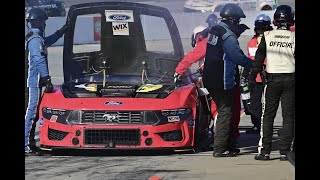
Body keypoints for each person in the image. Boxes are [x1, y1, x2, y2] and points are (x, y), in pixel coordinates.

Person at [203, 3, 253, 157]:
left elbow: (220, 50)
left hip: (209, 78)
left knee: (225, 110)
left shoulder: (215, 30)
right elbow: (236, 56)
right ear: (232, 19)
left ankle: (229, 145)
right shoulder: (228, 36)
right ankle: (220, 148)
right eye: (237, 21)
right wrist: (253, 64)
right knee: (226, 112)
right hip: (222, 79)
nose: (238, 23)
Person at [248, 5, 295, 161]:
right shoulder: (293, 37)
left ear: (274, 21)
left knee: (268, 116)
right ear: (291, 21)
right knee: (289, 117)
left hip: (272, 80)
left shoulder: (267, 36)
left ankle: (265, 152)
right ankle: (285, 151)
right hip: (290, 80)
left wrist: (252, 76)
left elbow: (258, 60)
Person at [25, 8, 68, 155]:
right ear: (38, 22)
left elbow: (47, 41)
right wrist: (46, 78)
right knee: (30, 114)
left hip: (33, 83)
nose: (44, 24)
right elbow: (39, 59)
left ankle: (29, 143)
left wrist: (60, 32)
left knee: (33, 113)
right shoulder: (35, 40)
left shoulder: (37, 38)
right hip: (33, 84)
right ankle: (26, 145)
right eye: (43, 21)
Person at [242, 14, 273, 134]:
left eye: (263, 28)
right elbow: (250, 59)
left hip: (269, 77)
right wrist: (245, 74)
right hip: (255, 78)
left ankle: (266, 126)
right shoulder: (251, 42)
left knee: (269, 105)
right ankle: (257, 124)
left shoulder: (272, 41)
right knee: (254, 104)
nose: (260, 31)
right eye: (258, 28)